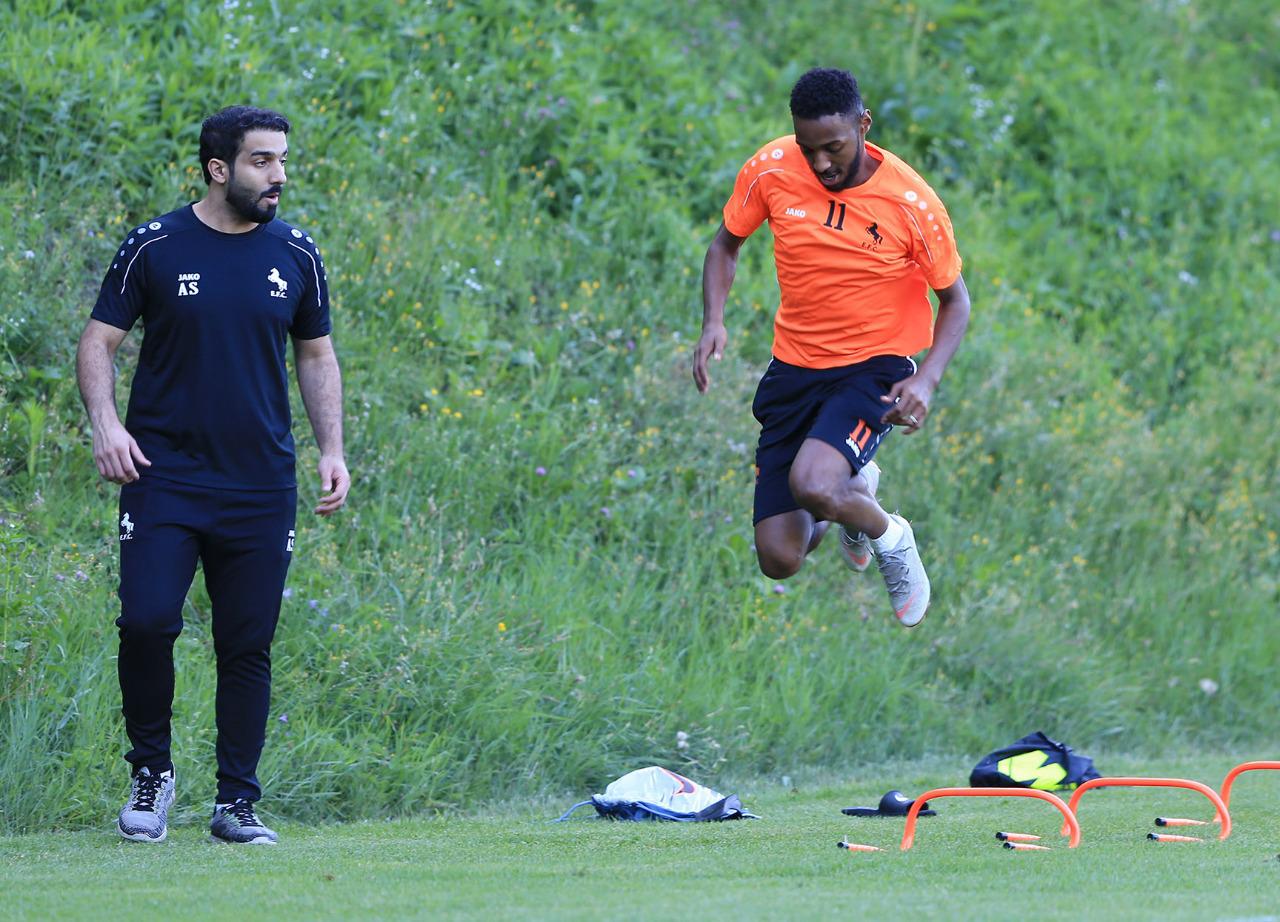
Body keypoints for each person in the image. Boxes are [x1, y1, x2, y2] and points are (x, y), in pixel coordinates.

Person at [76, 105, 350, 844]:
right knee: (146, 621)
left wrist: (332, 449)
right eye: (263, 161)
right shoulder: (155, 245)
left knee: (246, 641)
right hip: (164, 476)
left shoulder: (297, 252)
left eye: (284, 160)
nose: (280, 176)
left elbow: (316, 355)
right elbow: (98, 342)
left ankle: (236, 803)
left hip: (260, 483)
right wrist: (107, 425)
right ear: (218, 168)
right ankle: (152, 774)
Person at [693, 67, 970, 628]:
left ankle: (892, 538)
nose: (821, 164)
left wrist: (927, 379)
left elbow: (956, 301)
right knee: (780, 557)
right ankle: (854, 490)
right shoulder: (772, 169)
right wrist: (713, 321)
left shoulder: (911, 202)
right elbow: (726, 245)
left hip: (874, 368)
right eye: (808, 148)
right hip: (795, 366)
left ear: (863, 124)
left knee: (813, 483)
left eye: (834, 147)